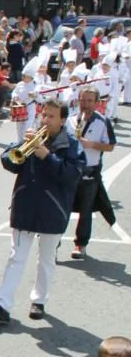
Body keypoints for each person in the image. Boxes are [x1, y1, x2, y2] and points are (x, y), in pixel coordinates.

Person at [0, 99, 86, 324]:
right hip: (25, 205)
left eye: (51, 116)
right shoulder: (32, 137)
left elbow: (72, 176)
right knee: (16, 257)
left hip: (53, 209)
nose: (45, 120)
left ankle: (39, 301)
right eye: (44, 115)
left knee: (46, 259)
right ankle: (2, 304)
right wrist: (21, 148)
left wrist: (47, 156)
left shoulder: (71, 145)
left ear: (62, 120)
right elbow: (10, 161)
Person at [69, 87, 116, 260]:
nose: (85, 104)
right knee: (62, 206)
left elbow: (110, 146)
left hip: (90, 171)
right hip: (70, 169)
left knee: (86, 209)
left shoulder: (103, 121)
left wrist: (91, 144)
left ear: (96, 103)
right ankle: (53, 244)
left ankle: (80, 244)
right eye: (83, 100)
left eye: (89, 101)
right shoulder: (70, 119)